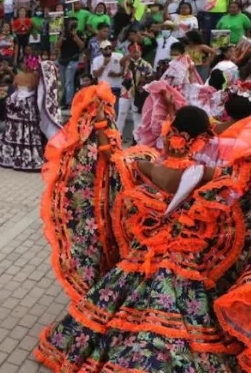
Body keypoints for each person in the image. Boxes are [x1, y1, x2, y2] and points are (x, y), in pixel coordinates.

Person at [36, 83, 251, 372]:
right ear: (199, 140)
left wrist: (101, 117)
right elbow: (240, 179)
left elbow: (111, 156)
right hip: (184, 257)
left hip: (143, 251)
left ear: (171, 133)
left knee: (114, 303)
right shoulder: (205, 174)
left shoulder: (149, 166)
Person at [0, 55, 59, 171]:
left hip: (16, 104)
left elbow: (14, 86)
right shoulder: (36, 77)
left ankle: (12, 155)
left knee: (15, 129)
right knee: (28, 129)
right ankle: (29, 155)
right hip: (28, 105)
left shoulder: (19, 76)